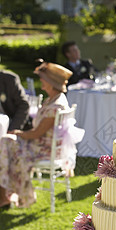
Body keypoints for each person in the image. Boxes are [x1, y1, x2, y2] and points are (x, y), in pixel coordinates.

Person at [0, 61, 73, 209]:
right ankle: (7, 194)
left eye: (43, 79)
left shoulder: (56, 105)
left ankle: (11, 195)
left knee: (5, 145)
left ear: (51, 82)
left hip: (43, 148)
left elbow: (36, 133)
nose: (41, 82)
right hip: (41, 143)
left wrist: (18, 133)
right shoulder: (52, 99)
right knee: (5, 144)